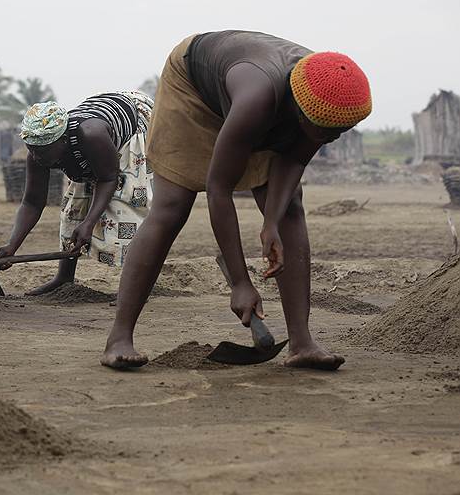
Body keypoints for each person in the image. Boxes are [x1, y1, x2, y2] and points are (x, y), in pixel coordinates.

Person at [101, 30, 372, 371]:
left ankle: (302, 342)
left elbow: (294, 159)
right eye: (326, 131)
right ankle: (119, 338)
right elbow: (218, 189)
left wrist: (270, 223)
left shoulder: (327, 92)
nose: (332, 139)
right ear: (301, 112)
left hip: (253, 95)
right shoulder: (258, 100)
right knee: (172, 207)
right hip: (194, 86)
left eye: (341, 132)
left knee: (289, 207)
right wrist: (241, 283)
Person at [0, 91, 155, 295]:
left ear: (62, 140)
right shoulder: (38, 151)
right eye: (31, 149)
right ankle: (64, 278)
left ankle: (136, 289)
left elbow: (108, 178)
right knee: (72, 210)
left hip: (134, 120)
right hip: (91, 138)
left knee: (125, 211)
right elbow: (32, 203)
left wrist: (89, 223)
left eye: (42, 151)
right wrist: (12, 245)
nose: (36, 156)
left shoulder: (91, 135)